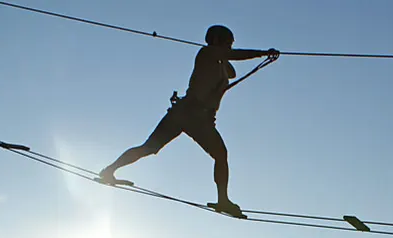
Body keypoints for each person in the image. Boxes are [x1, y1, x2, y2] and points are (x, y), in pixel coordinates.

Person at [99, 25, 279, 217]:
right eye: (228, 42)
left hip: (192, 115)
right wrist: (262, 53)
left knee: (154, 148)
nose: (230, 46)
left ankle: (109, 171)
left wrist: (225, 56)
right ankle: (223, 201)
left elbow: (232, 70)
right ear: (217, 41)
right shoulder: (206, 53)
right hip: (192, 114)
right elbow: (234, 56)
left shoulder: (218, 61)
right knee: (212, 153)